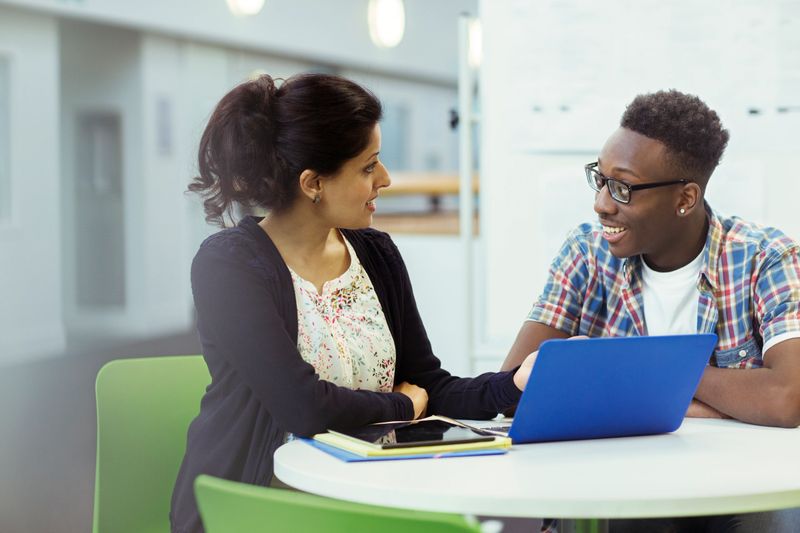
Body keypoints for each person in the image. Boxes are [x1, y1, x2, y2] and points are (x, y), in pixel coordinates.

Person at [170, 73, 536, 533]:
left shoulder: (376, 254)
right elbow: (303, 408)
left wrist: (514, 384)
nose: (384, 179)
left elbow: (428, 387)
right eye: (368, 167)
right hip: (264, 509)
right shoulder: (230, 267)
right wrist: (401, 408)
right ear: (313, 183)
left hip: (371, 499)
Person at [501, 90, 800, 532]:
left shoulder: (765, 258)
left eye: (622, 188)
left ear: (685, 198)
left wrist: (646, 379)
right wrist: (707, 400)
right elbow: (513, 388)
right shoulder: (586, 251)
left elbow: (788, 396)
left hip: (731, 488)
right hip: (615, 483)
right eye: (599, 179)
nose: (602, 203)